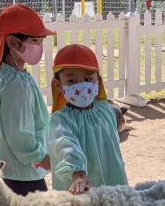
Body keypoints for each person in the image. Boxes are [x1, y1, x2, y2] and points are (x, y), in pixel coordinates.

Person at [0, 5, 55, 196]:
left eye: (41, 41)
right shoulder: (15, 84)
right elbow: (17, 130)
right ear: (13, 42)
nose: (40, 47)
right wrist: (39, 156)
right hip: (21, 172)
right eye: (35, 40)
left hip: (14, 168)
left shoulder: (12, 74)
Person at [49, 44, 127, 194]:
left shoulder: (106, 110)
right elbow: (66, 145)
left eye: (88, 79)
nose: (81, 86)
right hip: (81, 187)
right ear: (58, 85)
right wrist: (78, 173)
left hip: (114, 182)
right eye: (72, 81)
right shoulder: (61, 120)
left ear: (98, 81)